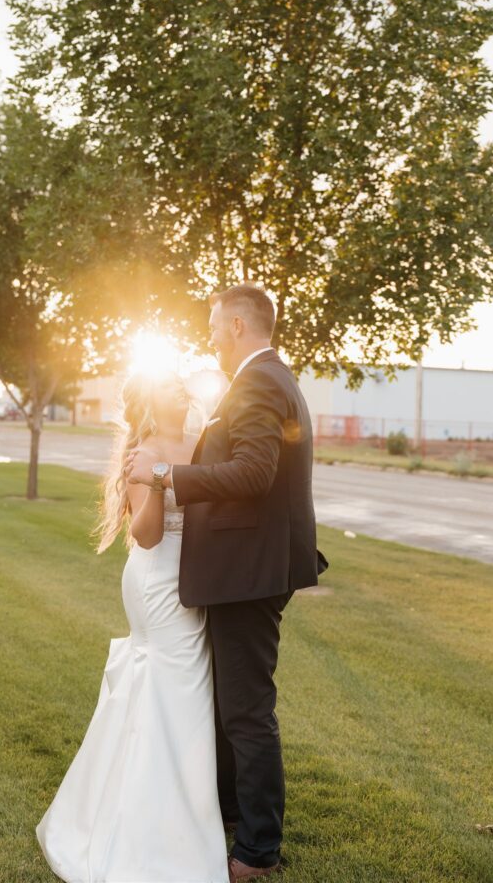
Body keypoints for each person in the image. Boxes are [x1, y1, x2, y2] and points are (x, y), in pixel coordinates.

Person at [126, 283, 326, 882]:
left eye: (214, 325)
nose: (209, 336)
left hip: (250, 572)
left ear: (237, 325)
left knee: (246, 710)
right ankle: (232, 811)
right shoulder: (262, 379)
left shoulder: (261, 381)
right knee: (229, 706)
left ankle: (258, 850)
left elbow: (254, 472)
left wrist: (164, 473)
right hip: (245, 568)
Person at [35, 370, 230, 883]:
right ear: (148, 399)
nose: (181, 389)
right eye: (169, 385)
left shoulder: (203, 439)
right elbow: (144, 536)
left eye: (181, 384)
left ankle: (178, 806)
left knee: (182, 692)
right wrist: (148, 482)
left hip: (196, 579)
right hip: (156, 579)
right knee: (174, 686)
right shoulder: (140, 449)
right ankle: (151, 826)